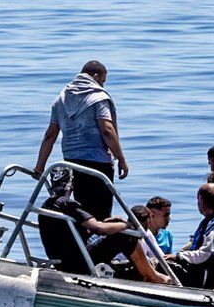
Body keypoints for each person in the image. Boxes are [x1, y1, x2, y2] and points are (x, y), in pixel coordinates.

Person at [37, 166, 169, 284]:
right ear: (71, 184)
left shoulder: (47, 205)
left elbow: (87, 231)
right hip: (79, 263)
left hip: (63, 261)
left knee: (115, 227)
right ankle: (151, 275)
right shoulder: (68, 205)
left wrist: (111, 222)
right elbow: (98, 229)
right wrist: (127, 225)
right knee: (125, 236)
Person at [34, 60, 128, 221]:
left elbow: (50, 135)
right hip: (98, 164)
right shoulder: (98, 98)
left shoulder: (60, 100)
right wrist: (121, 159)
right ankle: (97, 245)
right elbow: (107, 130)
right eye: (103, 81)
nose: (103, 86)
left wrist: (40, 165)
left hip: (71, 164)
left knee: (82, 212)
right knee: (101, 215)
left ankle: (83, 245)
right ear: (96, 76)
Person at [164, 184, 214, 288]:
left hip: (202, 275)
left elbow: (204, 255)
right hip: (196, 266)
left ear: (201, 200)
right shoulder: (210, 220)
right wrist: (182, 251)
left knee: (161, 266)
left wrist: (178, 257)